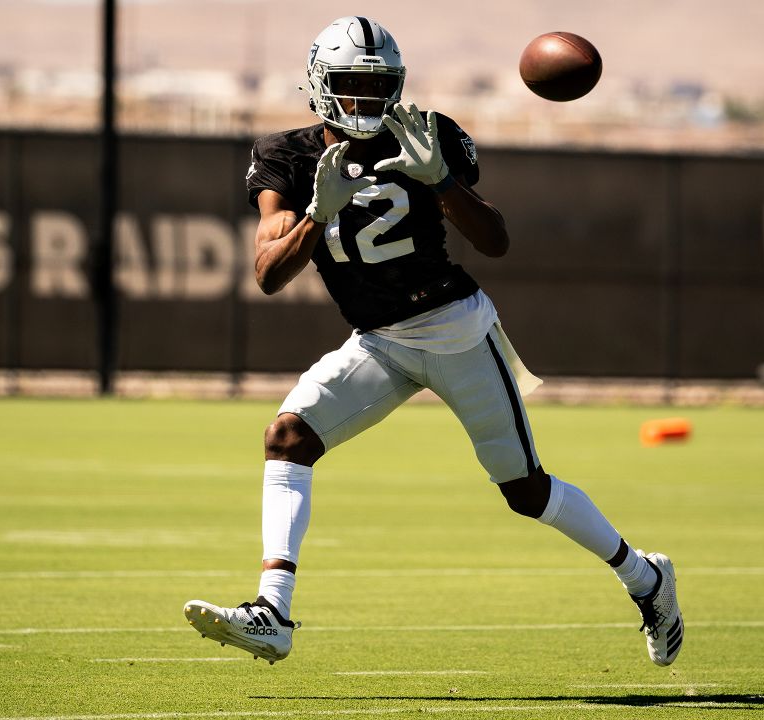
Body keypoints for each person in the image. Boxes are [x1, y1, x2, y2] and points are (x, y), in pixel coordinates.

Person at [182, 15, 682, 668]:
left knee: (524, 492)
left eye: (376, 85)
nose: (364, 100)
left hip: (457, 330)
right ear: (319, 85)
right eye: (349, 85)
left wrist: (444, 180)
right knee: (288, 436)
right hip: (380, 341)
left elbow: (496, 241)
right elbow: (269, 273)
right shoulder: (288, 155)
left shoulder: (428, 136)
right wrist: (315, 212)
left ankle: (645, 578)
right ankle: (272, 611)